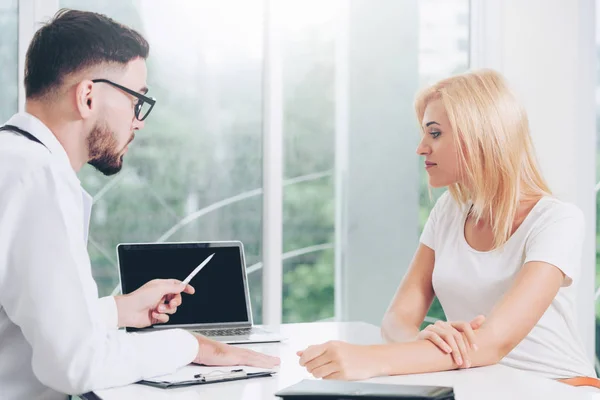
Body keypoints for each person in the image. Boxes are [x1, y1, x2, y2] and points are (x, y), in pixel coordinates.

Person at [0, 9, 279, 400]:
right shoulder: (37, 178)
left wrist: (119, 310)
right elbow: (76, 365)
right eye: (137, 101)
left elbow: (23, 323)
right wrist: (192, 346)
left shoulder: (13, 161)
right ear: (88, 96)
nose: (139, 121)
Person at [298, 69, 596, 384]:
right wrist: (426, 342)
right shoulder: (449, 212)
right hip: (479, 382)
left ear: (479, 134)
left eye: (435, 133)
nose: (421, 148)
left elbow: (493, 343)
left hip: (560, 385)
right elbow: (397, 319)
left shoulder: (557, 221)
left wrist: (367, 358)